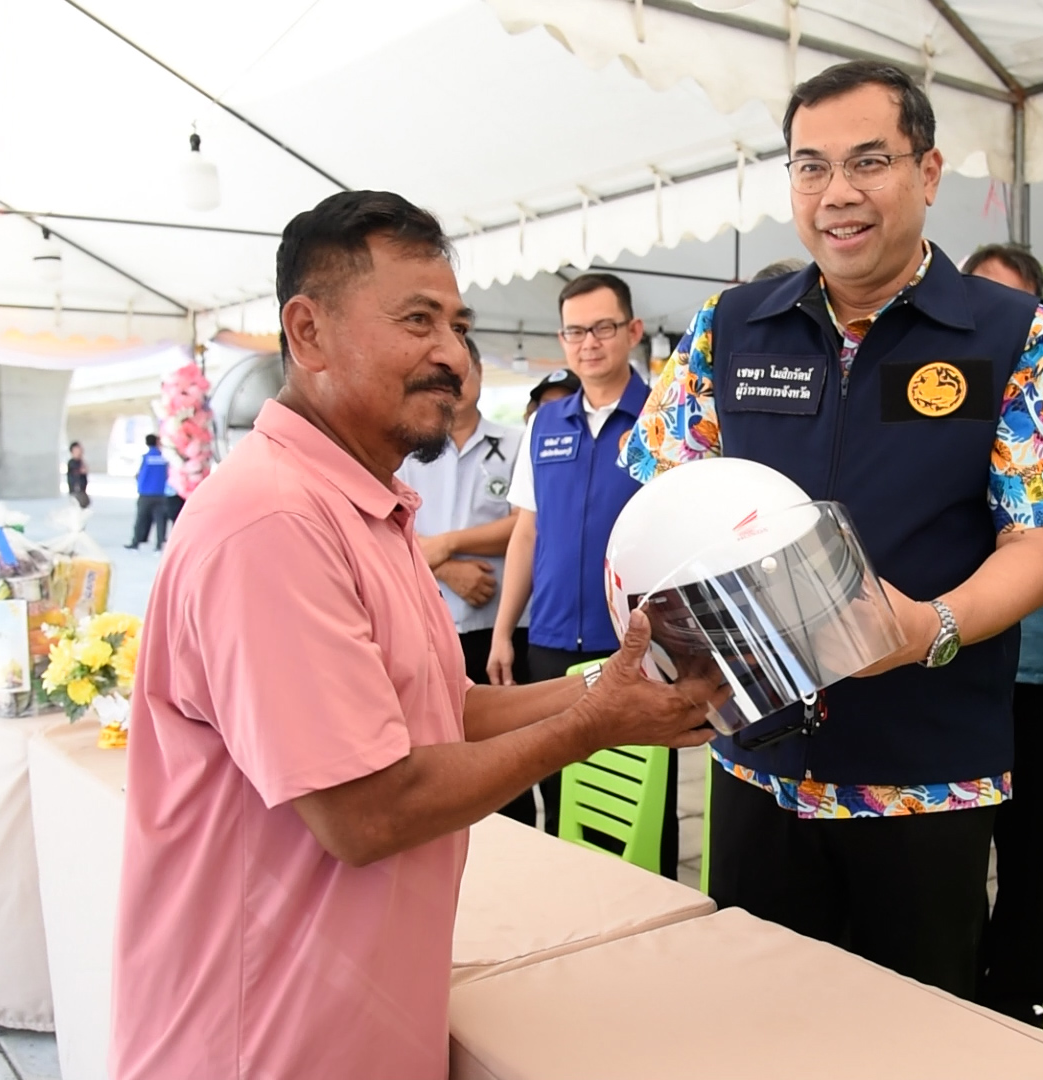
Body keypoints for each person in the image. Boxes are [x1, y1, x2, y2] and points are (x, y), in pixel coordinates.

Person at [109, 190, 720, 1080]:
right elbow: (365, 810)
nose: (451, 354)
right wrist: (593, 726)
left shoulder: (366, 503)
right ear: (308, 333)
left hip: (353, 1011)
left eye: (457, 324)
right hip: (262, 1038)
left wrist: (612, 686)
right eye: (417, 321)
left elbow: (446, 707)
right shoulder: (272, 523)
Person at [622, 60, 1043, 999]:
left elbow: (1037, 544)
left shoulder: (1013, 337)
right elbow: (664, 505)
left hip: (926, 777)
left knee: (912, 1031)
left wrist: (924, 628)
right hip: (759, 767)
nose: (837, 195)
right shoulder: (731, 328)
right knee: (759, 1024)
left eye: (868, 163)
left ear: (928, 175)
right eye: (810, 167)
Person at [489, 273, 670, 861]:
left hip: (633, 644)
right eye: (574, 331)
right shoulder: (545, 424)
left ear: (632, 331)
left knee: (636, 810)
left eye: (602, 328)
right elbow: (527, 531)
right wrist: (503, 632)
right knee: (558, 792)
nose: (588, 342)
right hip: (549, 643)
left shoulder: (662, 419)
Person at [958, 241, 1043, 1023]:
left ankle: (1015, 996)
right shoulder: (931, 391)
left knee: (1030, 855)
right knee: (959, 864)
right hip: (956, 671)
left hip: (1038, 680)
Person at [395, 334, 536, 816]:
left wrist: (449, 544)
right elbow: (384, 528)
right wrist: (444, 565)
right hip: (429, 625)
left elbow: (528, 525)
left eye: (465, 370)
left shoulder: (517, 444)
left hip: (502, 628)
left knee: (509, 760)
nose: (455, 382)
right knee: (442, 757)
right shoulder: (407, 451)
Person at [124, 434, 169, 550]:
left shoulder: (145, 457)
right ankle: (159, 543)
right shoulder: (164, 458)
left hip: (145, 493)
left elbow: (140, 474)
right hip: (160, 493)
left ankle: (136, 542)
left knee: (140, 519)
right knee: (160, 520)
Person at [66, 441, 90, 509]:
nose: (80, 451)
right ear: (73, 451)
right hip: (76, 491)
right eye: (77, 449)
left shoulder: (80, 462)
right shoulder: (72, 462)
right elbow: (81, 471)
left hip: (81, 490)